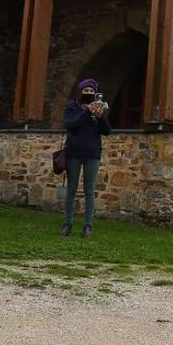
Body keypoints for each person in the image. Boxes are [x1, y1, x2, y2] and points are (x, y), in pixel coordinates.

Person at [60, 78, 111, 238]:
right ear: (80, 91)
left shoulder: (99, 108)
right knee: (72, 189)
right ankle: (67, 224)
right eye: (86, 90)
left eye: (91, 91)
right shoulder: (72, 107)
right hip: (74, 152)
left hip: (92, 153)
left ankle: (88, 226)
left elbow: (107, 131)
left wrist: (101, 116)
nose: (88, 93)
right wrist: (86, 111)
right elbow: (70, 125)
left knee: (89, 191)